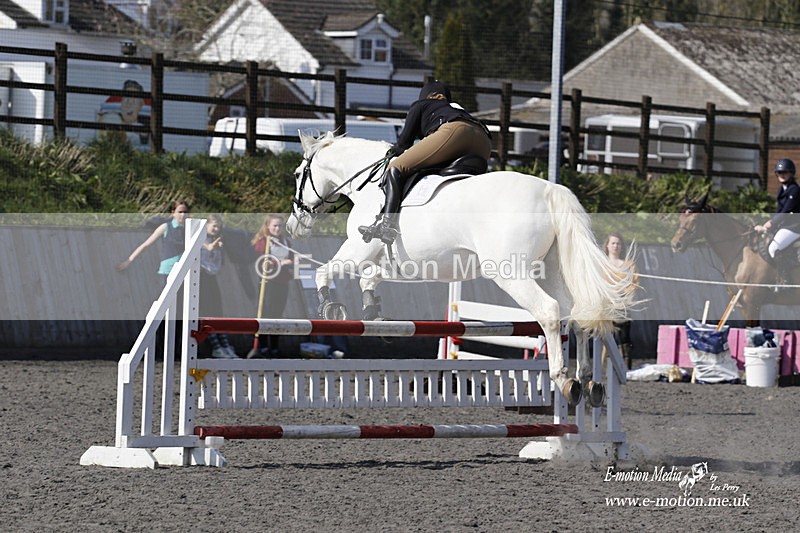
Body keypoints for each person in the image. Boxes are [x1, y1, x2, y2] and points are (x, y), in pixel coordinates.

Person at [358, 80, 492, 245]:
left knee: (396, 167)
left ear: (433, 96)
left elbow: (403, 143)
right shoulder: (457, 108)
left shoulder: (423, 104)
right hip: (484, 142)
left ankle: (387, 225)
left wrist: (394, 151)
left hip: (455, 132)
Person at [116, 200, 190, 286]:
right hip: (167, 272)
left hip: (185, 272)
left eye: (185, 212)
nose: (183, 215)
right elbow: (146, 245)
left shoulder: (191, 229)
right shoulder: (165, 227)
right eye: (180, 212)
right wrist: (128, 261)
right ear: (173, 213)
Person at [251, 214, 295, 356]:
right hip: (268, 283)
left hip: (282, 283)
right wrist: (279, 263)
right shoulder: (263, 242)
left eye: (280, 226)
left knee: (277, 316)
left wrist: (291, 263)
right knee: (266, 314)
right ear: (268, 226)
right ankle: (262, 346)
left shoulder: (286, 242)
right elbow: (262, 263)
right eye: (274, 225)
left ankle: (274, 346)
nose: (277, 228)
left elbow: (292, 259)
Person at [754, 158, 800, 285]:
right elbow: (779, 211)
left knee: (774, 248)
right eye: (779, 172)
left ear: (791, 173)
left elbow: (786, 211)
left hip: (794, 227)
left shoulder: (794, 190)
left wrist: (770, 225)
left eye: (785, 172)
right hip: (785, 226)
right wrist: (769, 223)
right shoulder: (782, 189)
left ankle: (786, 280)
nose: (782, 175)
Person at [200, 214, 238, 359]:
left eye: (218, 227)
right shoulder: (199, 237)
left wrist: (219, 248)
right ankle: (216, 347)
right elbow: (206, 248)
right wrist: (212, 247)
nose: (216, 229)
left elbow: (218, 263)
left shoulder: (218, 241)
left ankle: (225, 345)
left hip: (211, 277)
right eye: (213, 226)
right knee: (207, 312)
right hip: (200, 277)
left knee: (217, 311)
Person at [604, 231, 637, 369]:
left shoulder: (628, 265)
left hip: (623, 304)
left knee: (624, 337)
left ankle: (626, 367)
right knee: (605, 336)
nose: (615, 246)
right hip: (606, 303)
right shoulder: (602, 264)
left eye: (618, 243)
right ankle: (603, 365)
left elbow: (633, 283)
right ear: (607, 245)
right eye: (613, 243)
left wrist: (625, 298)